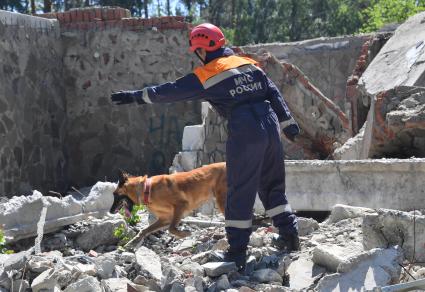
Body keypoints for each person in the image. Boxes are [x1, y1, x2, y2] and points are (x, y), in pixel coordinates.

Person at [111, 23, 300, 270]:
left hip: (245, 129)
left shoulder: (208, 75)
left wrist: (137, 96)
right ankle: (290, 236)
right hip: (269, 124)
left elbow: (170, 91)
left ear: (201, 50)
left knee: (239, 190)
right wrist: (288, 122)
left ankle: (237, 253)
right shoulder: (248, 64)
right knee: (273, 184)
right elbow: (273, 92)